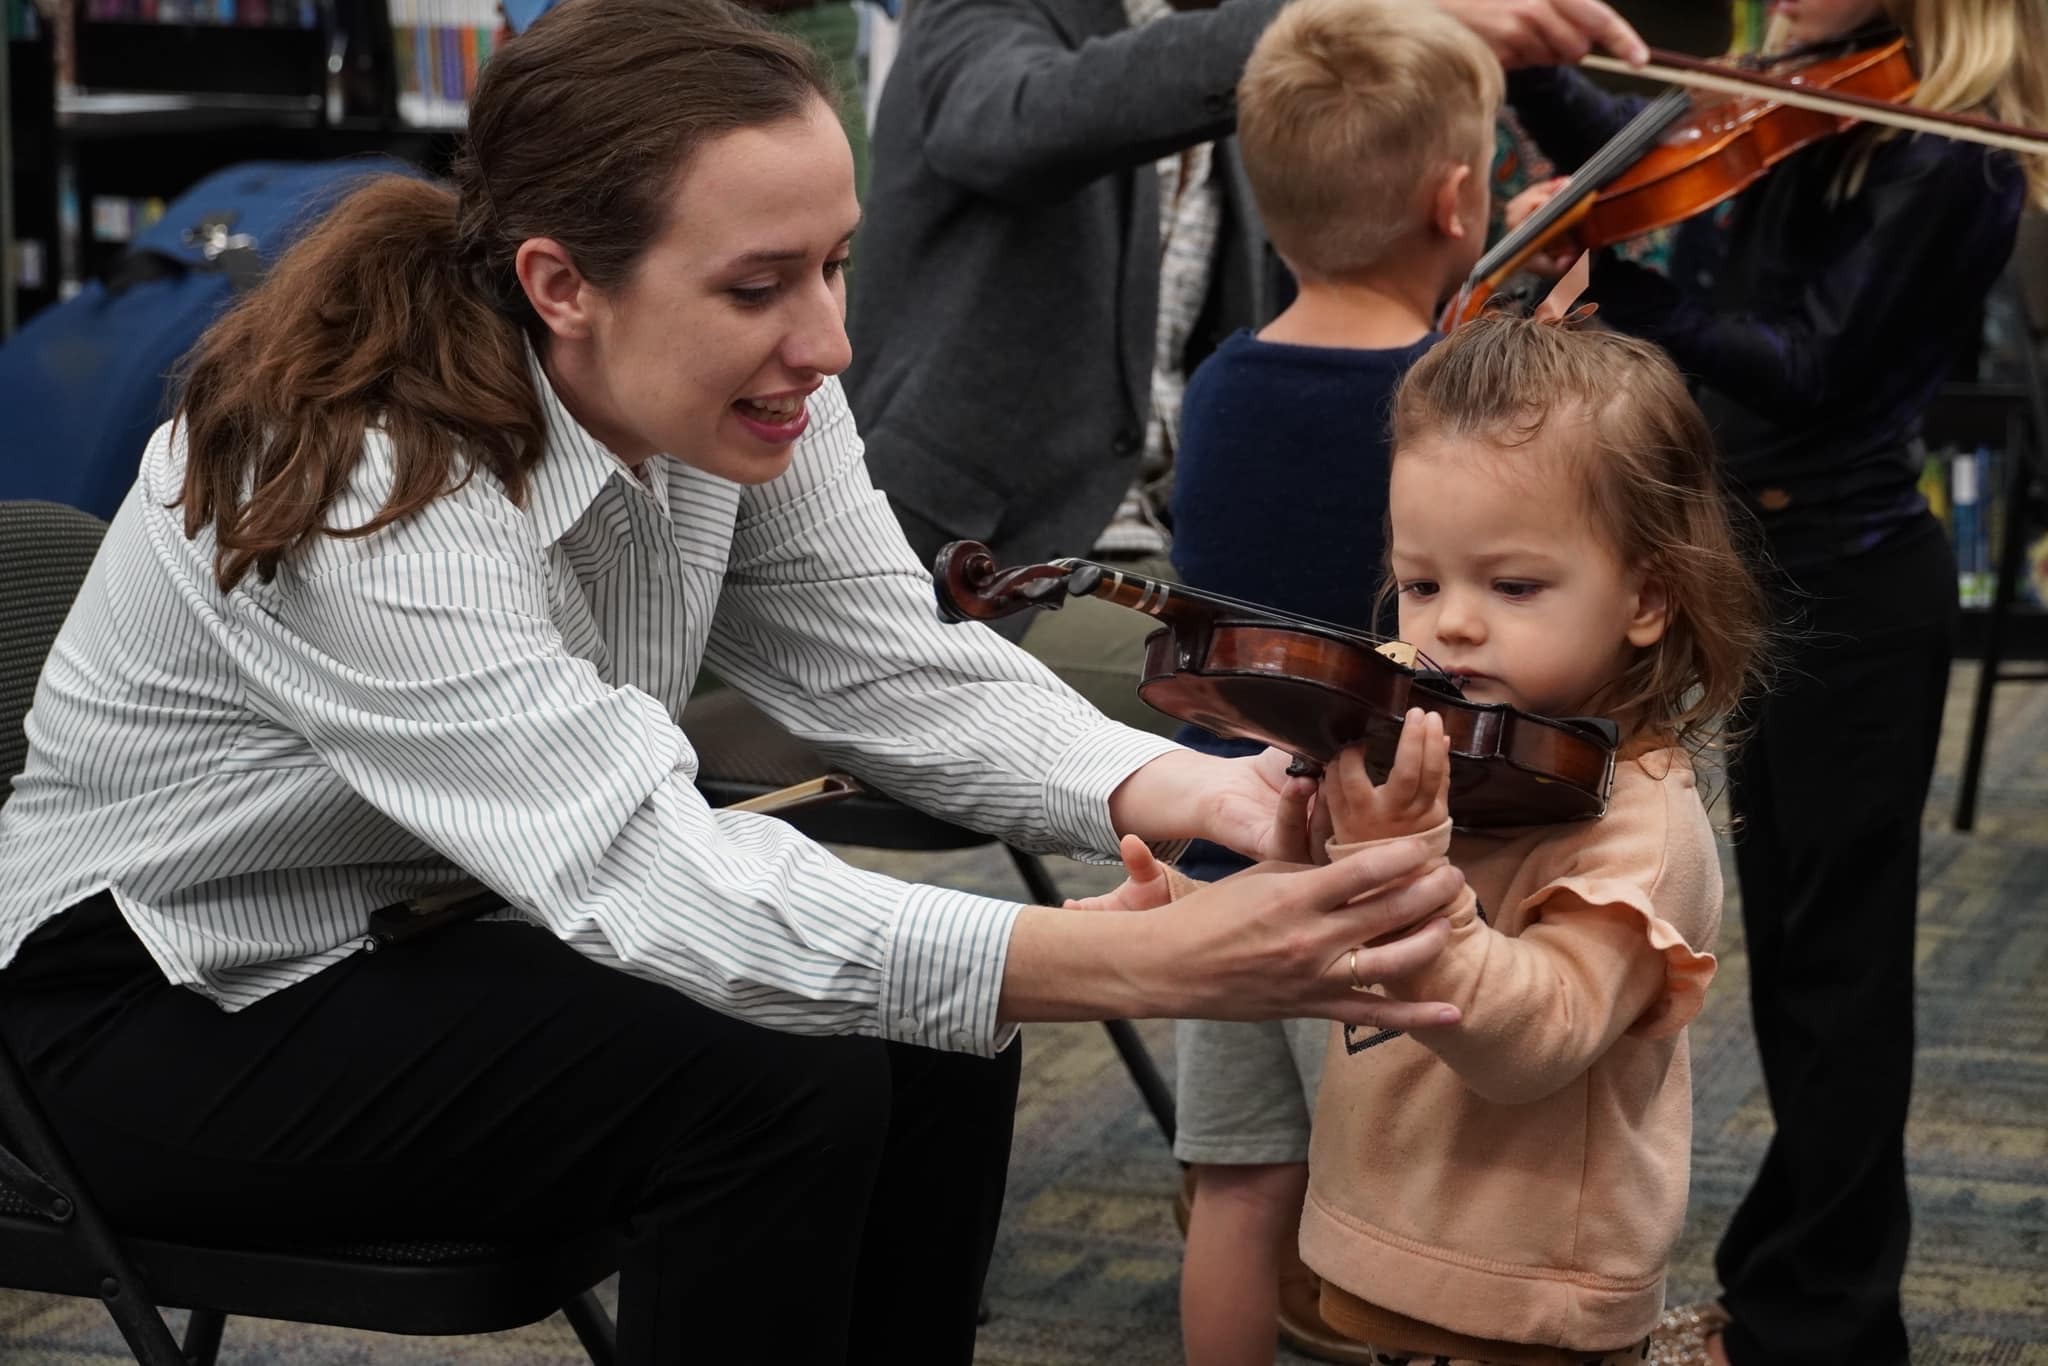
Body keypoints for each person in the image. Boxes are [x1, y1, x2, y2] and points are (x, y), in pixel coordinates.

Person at [0, 3, 1476, 1363]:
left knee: (919, 1029)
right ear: (558, 283)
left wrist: (1222, 794)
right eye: (762, 284)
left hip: (430, 918)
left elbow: (895, 666)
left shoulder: (730, 391)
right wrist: (1142, 965)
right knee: (780, 1084)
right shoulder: (363, 471)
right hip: (150, 998)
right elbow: (644, 869)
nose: (830, 343)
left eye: (838, 264)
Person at [1500, 2, 2048, 1360]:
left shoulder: (1953, 151)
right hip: (1779, 574)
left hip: (1855, 593)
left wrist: (1617, 287)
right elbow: (1639, 164)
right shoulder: (1817, 94)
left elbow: (1810, 365)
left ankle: (1835, 1316)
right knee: (1802, 962)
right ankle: (1787, 1291)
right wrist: (1538, 62)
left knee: (1842, 979)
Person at [1078, 315, 1769, 1364]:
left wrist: (1396, 865)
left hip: (1527, 1300)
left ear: (1645, 594)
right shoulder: (1441, 757)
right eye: (1422, 583)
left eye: (1513, 586)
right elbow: (1319, 925)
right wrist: (1180, 919)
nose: (1448, 627)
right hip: (1376, 1249)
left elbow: (1534, 1038)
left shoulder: (1638, 819)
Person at [842, 0, 1650, 730]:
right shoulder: (1006, 23)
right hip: (993, 569)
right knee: (1356, 700)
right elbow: (1007, 120)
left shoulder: (1221, 39)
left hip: (1168, 558)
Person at [1153, 1, 1503, 1361]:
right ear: (1458, 198)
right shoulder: (1454, 406)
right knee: (1407, 1208)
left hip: (1228, 846)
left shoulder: (1224, 385)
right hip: (1398, 861)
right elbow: (1434, 653)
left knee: (1239, 1182)